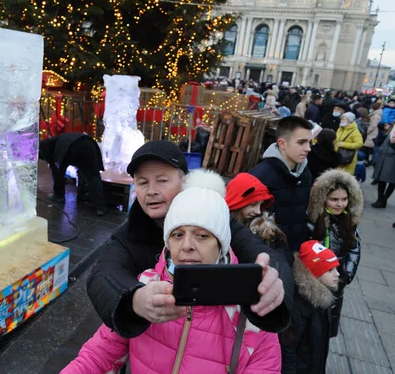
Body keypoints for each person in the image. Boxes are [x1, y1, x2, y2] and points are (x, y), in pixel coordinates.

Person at [64, 170, 282, 374]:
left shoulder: (251, 308)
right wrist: (132, 305)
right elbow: (97, 356)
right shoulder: (146, 286)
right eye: (177, 234)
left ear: (221, 244)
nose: (186, 245)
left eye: (202, 235)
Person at [87, 141, 293, 339]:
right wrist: (134, 301)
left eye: (162, 180)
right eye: (142, 182)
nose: (151, 191)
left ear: (185, 182)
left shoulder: (215, 220)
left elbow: (264, 255)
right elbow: (103, 274)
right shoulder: (131, 232)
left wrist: (273, 285)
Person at [307, 169, 363, 337]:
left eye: (344, 199)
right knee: (310, 325)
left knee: (327, 324)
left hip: (337, 280)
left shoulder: (348, 222)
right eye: (334, 199)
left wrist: (347, 274)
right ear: (323, 199)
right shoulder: (313, 222)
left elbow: (355, 248)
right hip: (313, 280)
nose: (340, 204)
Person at [249, 116, 314, 251]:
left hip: (297, 252)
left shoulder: (305, 173)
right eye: (301, 142)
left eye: (309, 142)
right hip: (270, 255)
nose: (308, 148)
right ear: (282, 143)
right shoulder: (260, 177)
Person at [280, 240, 340, 373]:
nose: (337, 274)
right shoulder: (299, 306)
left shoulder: (323, 295)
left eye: (336, 268)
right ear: (314, 273)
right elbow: (287, 350)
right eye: (330, 270)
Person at [225, 172, 292, 265]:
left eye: (261, 205)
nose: (258, 211)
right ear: (237, 204)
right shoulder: (220, 229)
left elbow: (283, 257)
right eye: (253, 204)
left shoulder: (267, 232)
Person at [38, 132, 107, 216]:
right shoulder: (54, 141)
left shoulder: (43, 146)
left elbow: (56, 171)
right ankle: (100, 207)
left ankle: (59, 197)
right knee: (93, 177)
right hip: (88, 144)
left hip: (69, 147)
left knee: (57, 172)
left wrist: (53, 164)